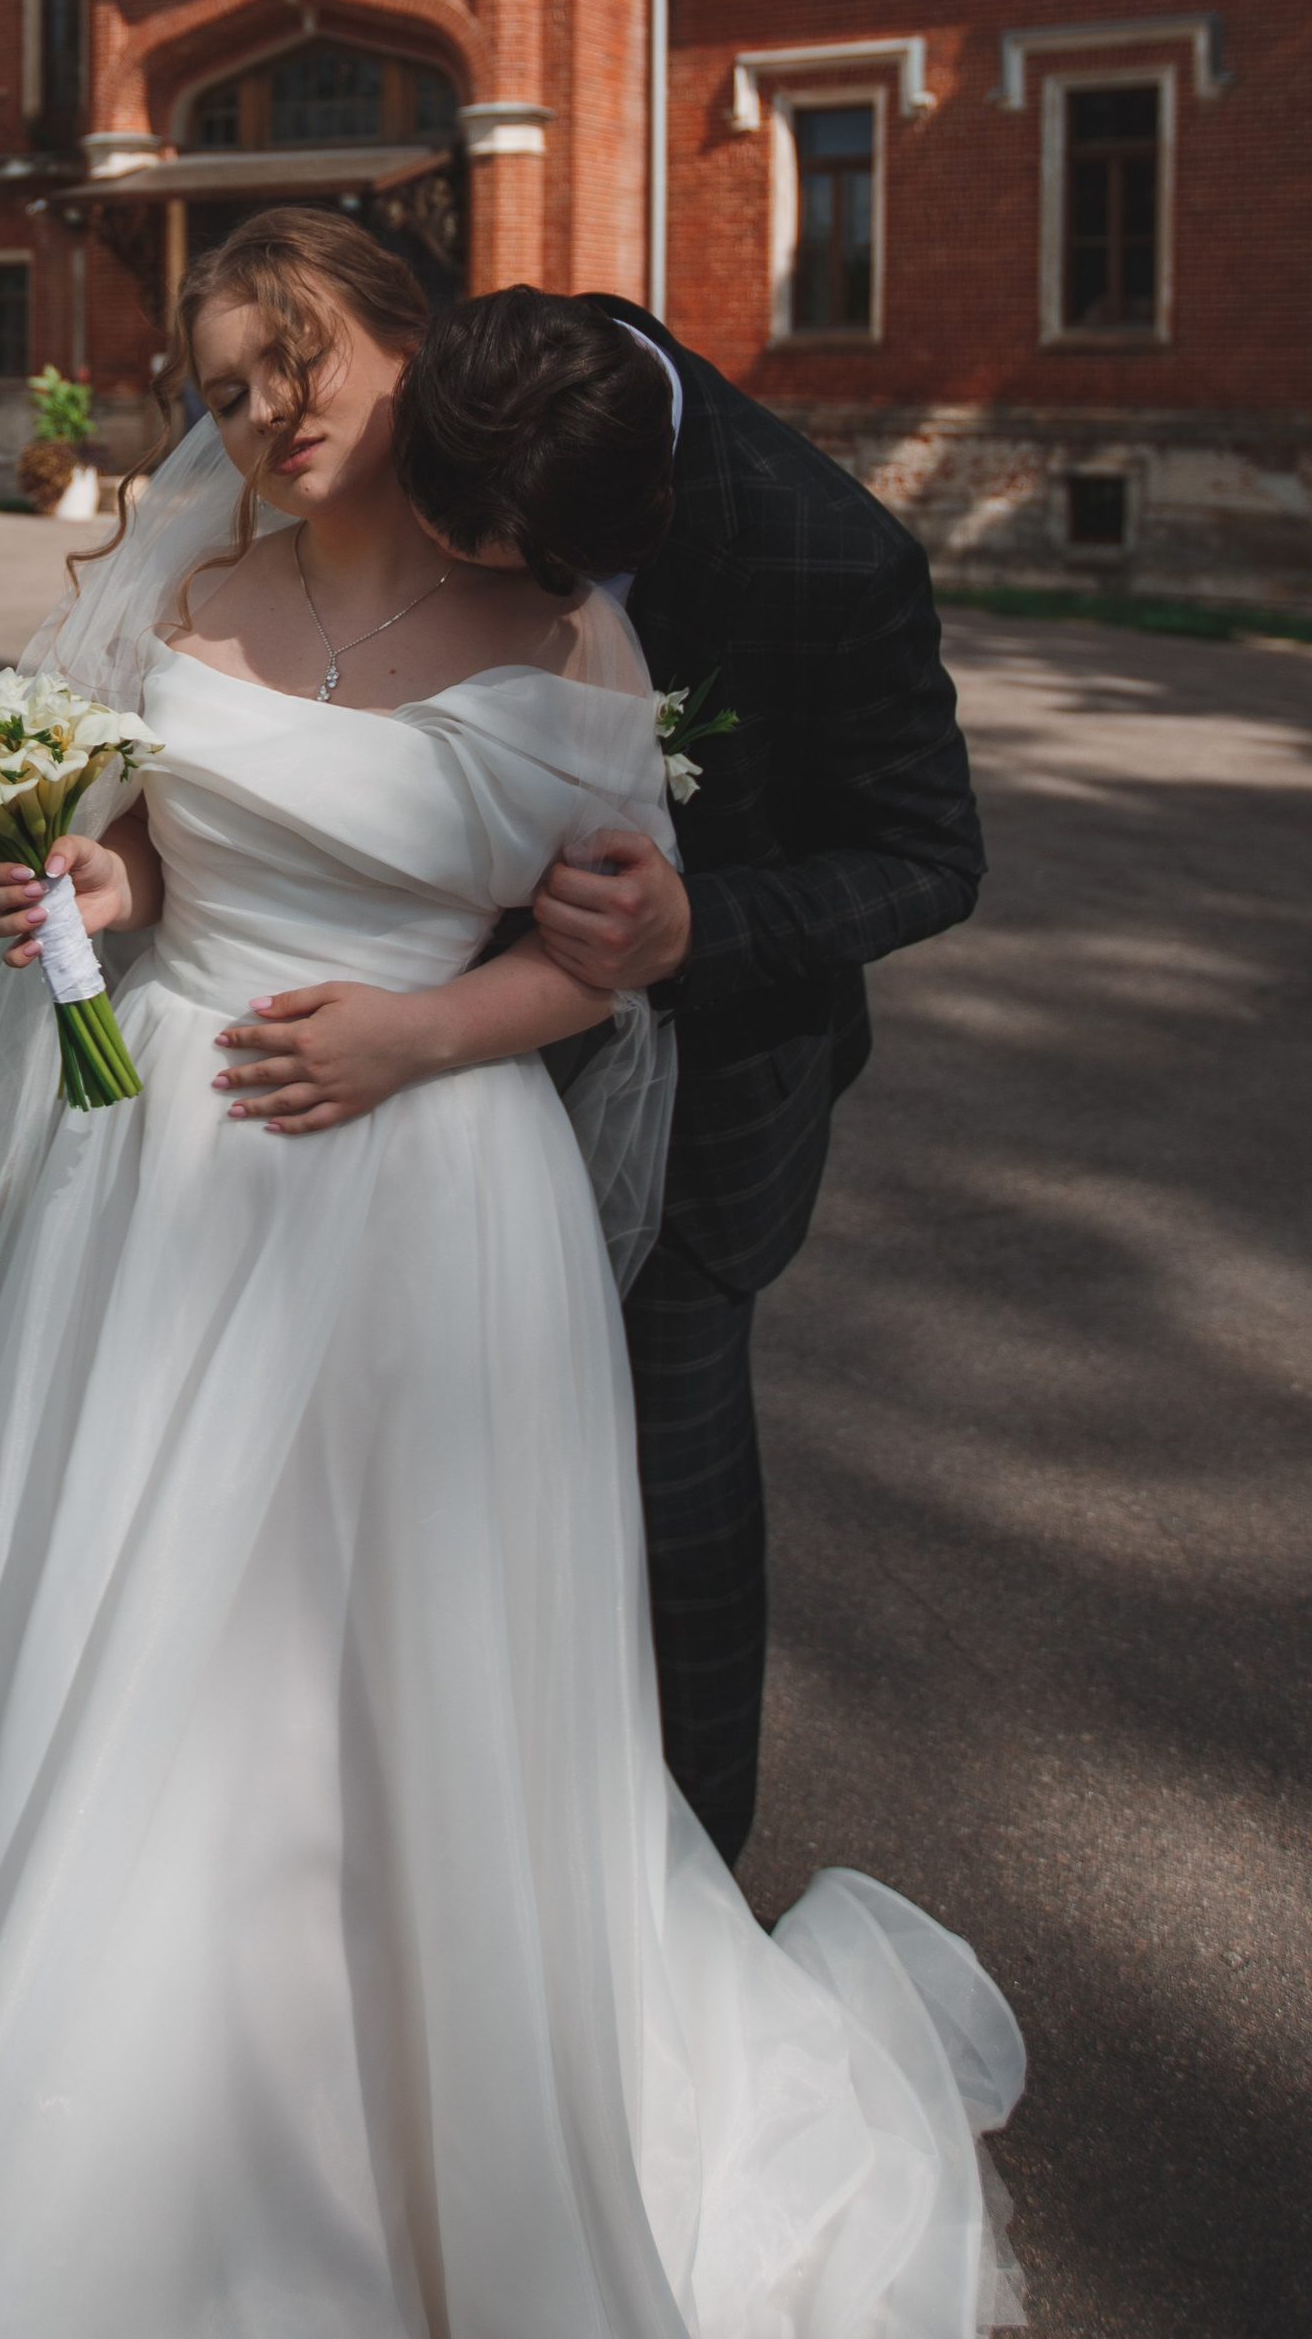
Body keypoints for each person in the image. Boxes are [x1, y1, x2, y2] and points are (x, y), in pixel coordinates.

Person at [0, 209, 1020, 2339]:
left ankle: (509, 2029)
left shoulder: (620, 601)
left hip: (446, 1181)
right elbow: (141, 845)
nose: (263, 420)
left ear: (426, 351)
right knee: (145, 1626)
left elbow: (703, 908)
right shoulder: (190, 579)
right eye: (223, 387)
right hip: (162, 1197)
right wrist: (95, 886)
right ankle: (103, 2087)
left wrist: (450, 1020)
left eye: (300, 371)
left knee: (458, 1628)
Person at [392, 285, 988, 1867]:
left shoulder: (826, 553)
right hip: (421, 1071)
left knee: (672, 1503)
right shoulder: (446, 403)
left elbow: (931, 857)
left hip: (709, 1099)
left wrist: (696, 924)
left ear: (635, 520)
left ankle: (686, 1896)